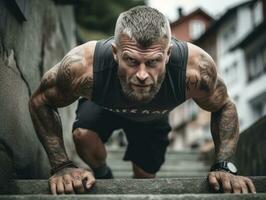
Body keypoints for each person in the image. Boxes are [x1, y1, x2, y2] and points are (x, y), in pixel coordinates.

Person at [29, 6, 256, 195]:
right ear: (115, 52)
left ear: (167, 55)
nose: (142, 74)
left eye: (153, 62)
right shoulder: (83, 67)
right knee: (82, 135)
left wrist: (224, 166)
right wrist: (61, 165)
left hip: (153, 119)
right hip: (103, 107)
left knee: (144, 180)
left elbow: (224, 105)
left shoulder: (195, 70)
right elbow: (41, 100)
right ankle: (103, 177)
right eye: (131, 60)